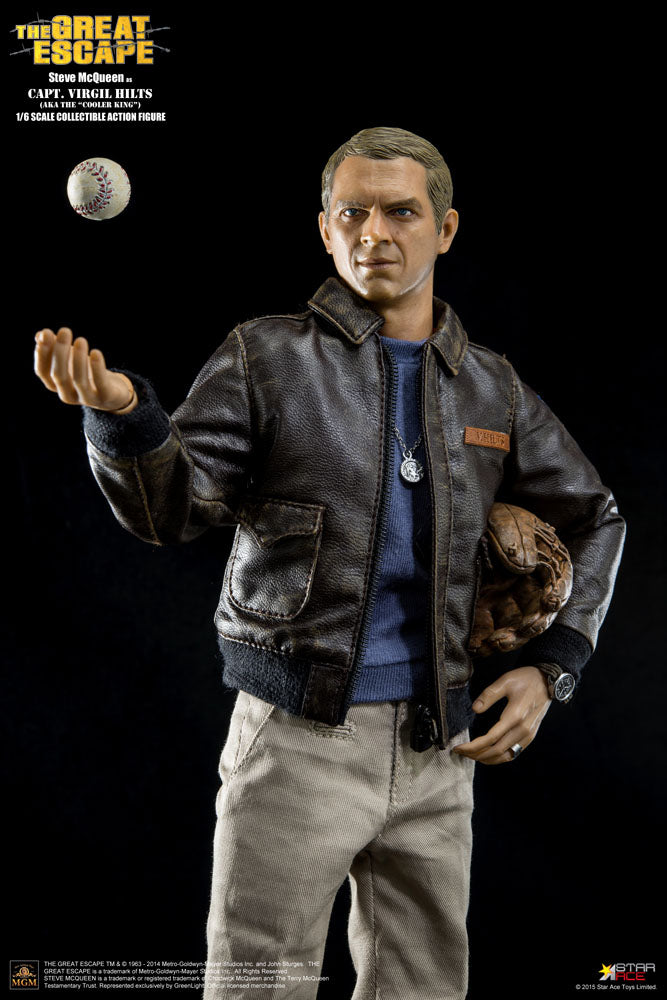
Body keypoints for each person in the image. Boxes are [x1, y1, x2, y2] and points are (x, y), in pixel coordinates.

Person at [33, 127, 625, 1000]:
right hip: (297, 738)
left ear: (445, 229)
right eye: (352, 212)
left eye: (401, 212)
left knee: (424, 988)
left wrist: (553, 664)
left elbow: (595, 516)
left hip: (440, 746)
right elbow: (172, 509)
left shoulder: (489, 386)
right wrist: (126, 419)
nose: (373, 233)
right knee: (257, 984)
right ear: (324, 228)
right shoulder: (267, 358)